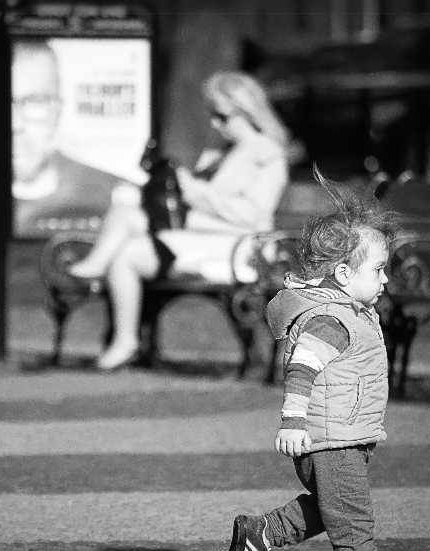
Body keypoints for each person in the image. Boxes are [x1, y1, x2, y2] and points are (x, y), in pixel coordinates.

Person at [227, 172, 412, 551]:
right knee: (352, 515)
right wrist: (292, 422)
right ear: (344, 274)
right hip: (328, 439)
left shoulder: (349, 310)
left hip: (341, 435)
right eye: (379, 269)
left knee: (333, 508)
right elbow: (301, 367)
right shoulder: (331, 319)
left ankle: (261, 532)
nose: (386, 280)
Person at [68, 71, 290, 370]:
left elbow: (253, 216)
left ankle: (123, 333)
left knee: (127, 256)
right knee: (127, 210)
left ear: (245, 110)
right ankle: (100, 272)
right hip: (200, 235)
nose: (214, 123)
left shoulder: (267, 153)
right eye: (212, 114)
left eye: (221, 116)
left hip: (237, 246)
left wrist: (197, 192)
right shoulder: (221, 153)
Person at [11, 39, 128, 238]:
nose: (16, 124)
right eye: (3, 102)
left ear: (58, 109)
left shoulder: (115, 194)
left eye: (34, 102)